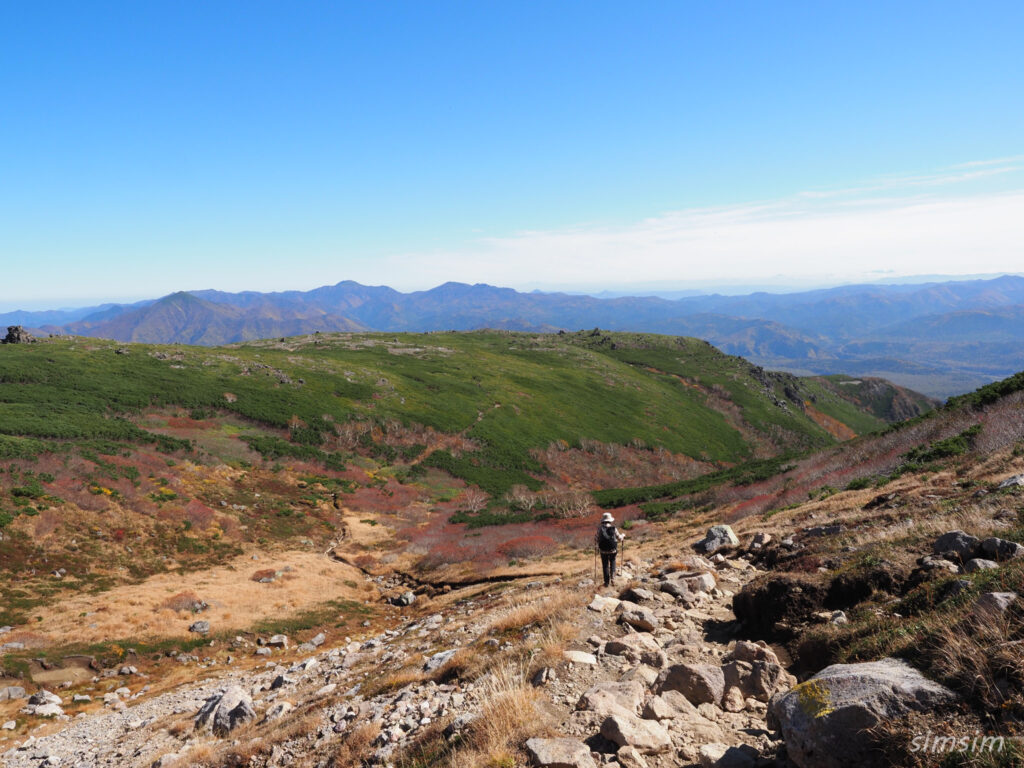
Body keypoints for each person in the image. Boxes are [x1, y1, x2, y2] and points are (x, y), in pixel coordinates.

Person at [595, 512, 625, 587]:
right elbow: (620, 539)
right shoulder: (613, 528)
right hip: (613, 550)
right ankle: (613, 579)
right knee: (613, 562)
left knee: (605, 565)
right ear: (610, 521)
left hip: (603, 551)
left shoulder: (600, 529)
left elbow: (595, 539)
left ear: (603, 521)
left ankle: (606, 582)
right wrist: (623, 535)